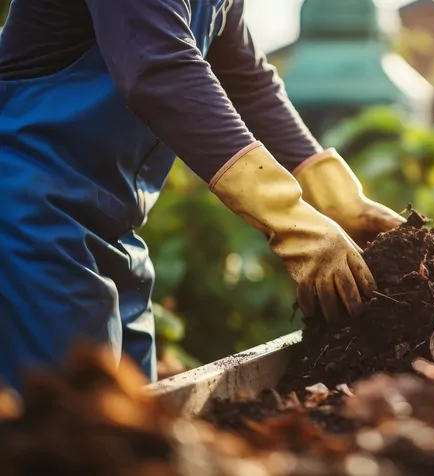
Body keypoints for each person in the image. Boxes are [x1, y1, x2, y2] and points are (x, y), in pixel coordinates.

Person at [0, 0, 405, 390]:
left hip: (111, 231)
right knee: (74, 422)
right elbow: (159, 71)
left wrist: (336, 197)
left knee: (132, 419)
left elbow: (248, 83)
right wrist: (288, 217)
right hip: (29, 213)